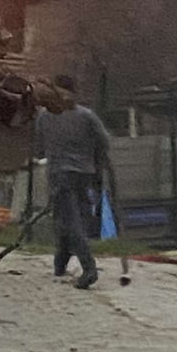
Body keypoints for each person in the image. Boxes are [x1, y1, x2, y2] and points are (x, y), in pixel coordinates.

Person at [35, 75, 110, 289]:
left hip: (60, 174)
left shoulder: (44, 117)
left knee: (69, 221)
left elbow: (39, 148)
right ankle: (60, 263)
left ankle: (89, 268)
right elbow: (104, 141)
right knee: (70, 218)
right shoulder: (87, 116)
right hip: (84, 173)